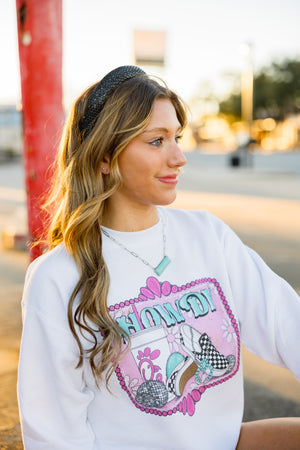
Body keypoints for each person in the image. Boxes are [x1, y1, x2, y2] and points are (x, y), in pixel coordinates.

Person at [18, 65, 300, 449]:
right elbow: (53, 432)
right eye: (157, 141)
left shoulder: (207, 234)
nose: (179, 157)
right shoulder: (57, 276)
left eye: (177, 138)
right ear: (104, 155)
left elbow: (287, 322)